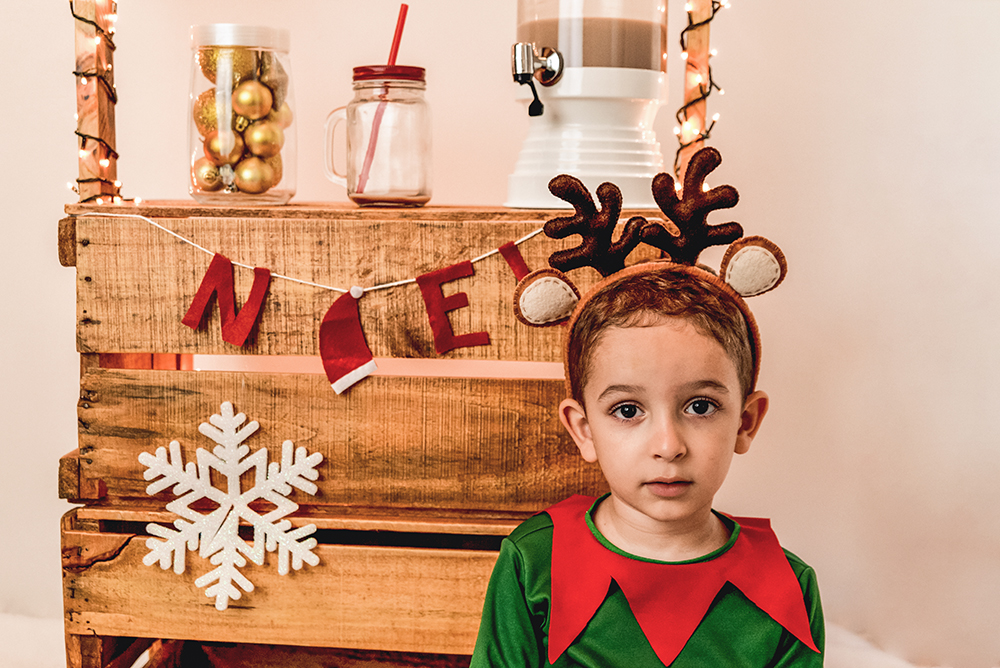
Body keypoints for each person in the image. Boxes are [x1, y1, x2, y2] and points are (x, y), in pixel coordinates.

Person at [470, 262, 824, 667]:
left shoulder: (789, 587)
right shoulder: (533, 562)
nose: (668, 446)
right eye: (627, 410)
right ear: (584, 430)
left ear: (745, 422)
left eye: (700, 406)